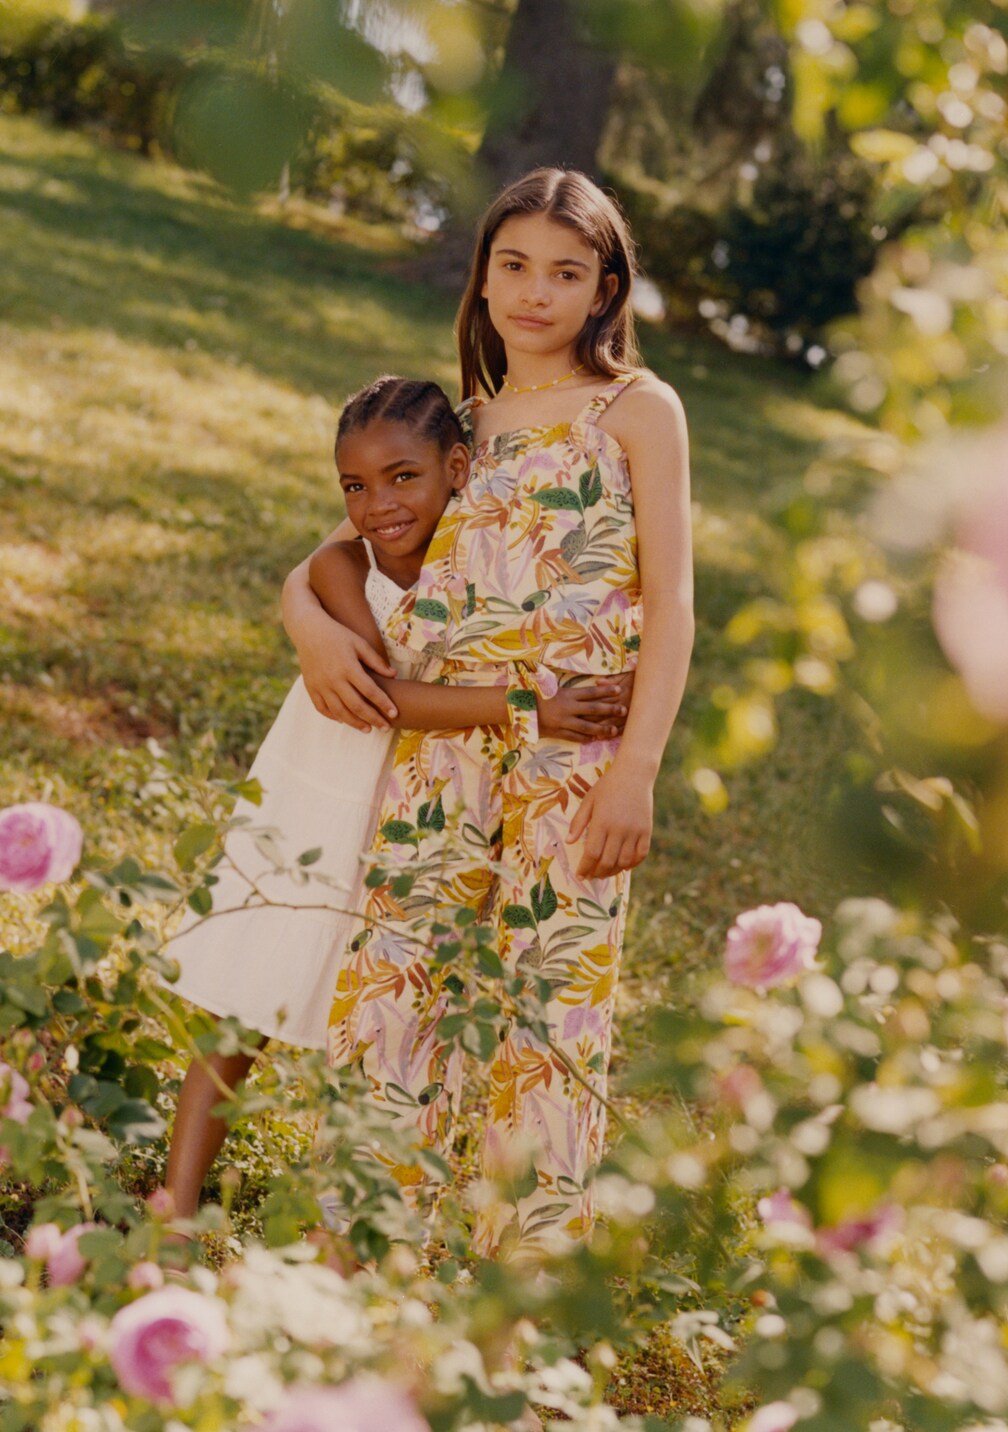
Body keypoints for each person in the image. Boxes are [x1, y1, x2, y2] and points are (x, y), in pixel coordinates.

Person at [281, 168, 694, 1263]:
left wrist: (636, 768)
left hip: (576, 753)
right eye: (512, 264)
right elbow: (341, 548)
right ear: (481, 275)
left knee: (547, 1006)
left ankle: (523, 1292)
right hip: (444, 750)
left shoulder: (636, 409)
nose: (535, 292)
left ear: (605, 287)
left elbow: (676, 600)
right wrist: (307, 622)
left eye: (566, 271)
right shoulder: (457, 424)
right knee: (396, 988)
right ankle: (351, 1266)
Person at [160, 375, 633, 1222]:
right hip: (323, 795)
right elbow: (390, 702)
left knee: (390, 1007)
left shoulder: (482, 556)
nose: (377, 502)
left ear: (458, 467)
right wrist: (534, 708)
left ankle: (380, 1202)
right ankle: (175, 1205)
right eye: (355, 485)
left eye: (401, 478)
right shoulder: (346, 566)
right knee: (246, 999)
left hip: (418, 813)